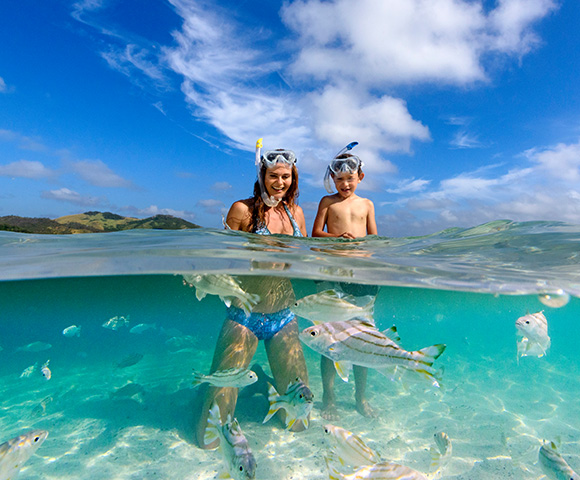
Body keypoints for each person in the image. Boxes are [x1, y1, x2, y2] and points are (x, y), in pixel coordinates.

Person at [192, 141, 309, 449]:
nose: (280, 182)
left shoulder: (296, 212)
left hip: (285, 316)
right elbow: (219, 259)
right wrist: (197, 277)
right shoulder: (241, 210)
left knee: (299, 421)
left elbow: (306, 260)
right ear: (262, 174)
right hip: (245, 317)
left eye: (286, 176)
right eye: (274, 175)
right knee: (209, 439)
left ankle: (260, 380)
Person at [311, 148, 378, 419]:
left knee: (363, 340)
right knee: (331, 342)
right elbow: (315, 233)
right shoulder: (327, 202)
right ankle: (329, 398)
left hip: (361, 276)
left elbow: (374, 238)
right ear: (332, 179)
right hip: (335, 274)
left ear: (360, 177)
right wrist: (337, 238)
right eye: (339, 180)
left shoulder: (368, 204)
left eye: (350, 178)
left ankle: (360, 398)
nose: (345, 184)